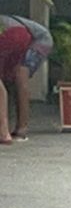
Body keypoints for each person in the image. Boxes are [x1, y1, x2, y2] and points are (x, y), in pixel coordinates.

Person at [0, 15, 52, 145]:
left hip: (37, 39)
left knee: (20, 74)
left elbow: (20, 35)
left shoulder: (8, 28)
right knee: (14, 79)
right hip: (20, 37)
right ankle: (11, 128)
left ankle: (21, 129)